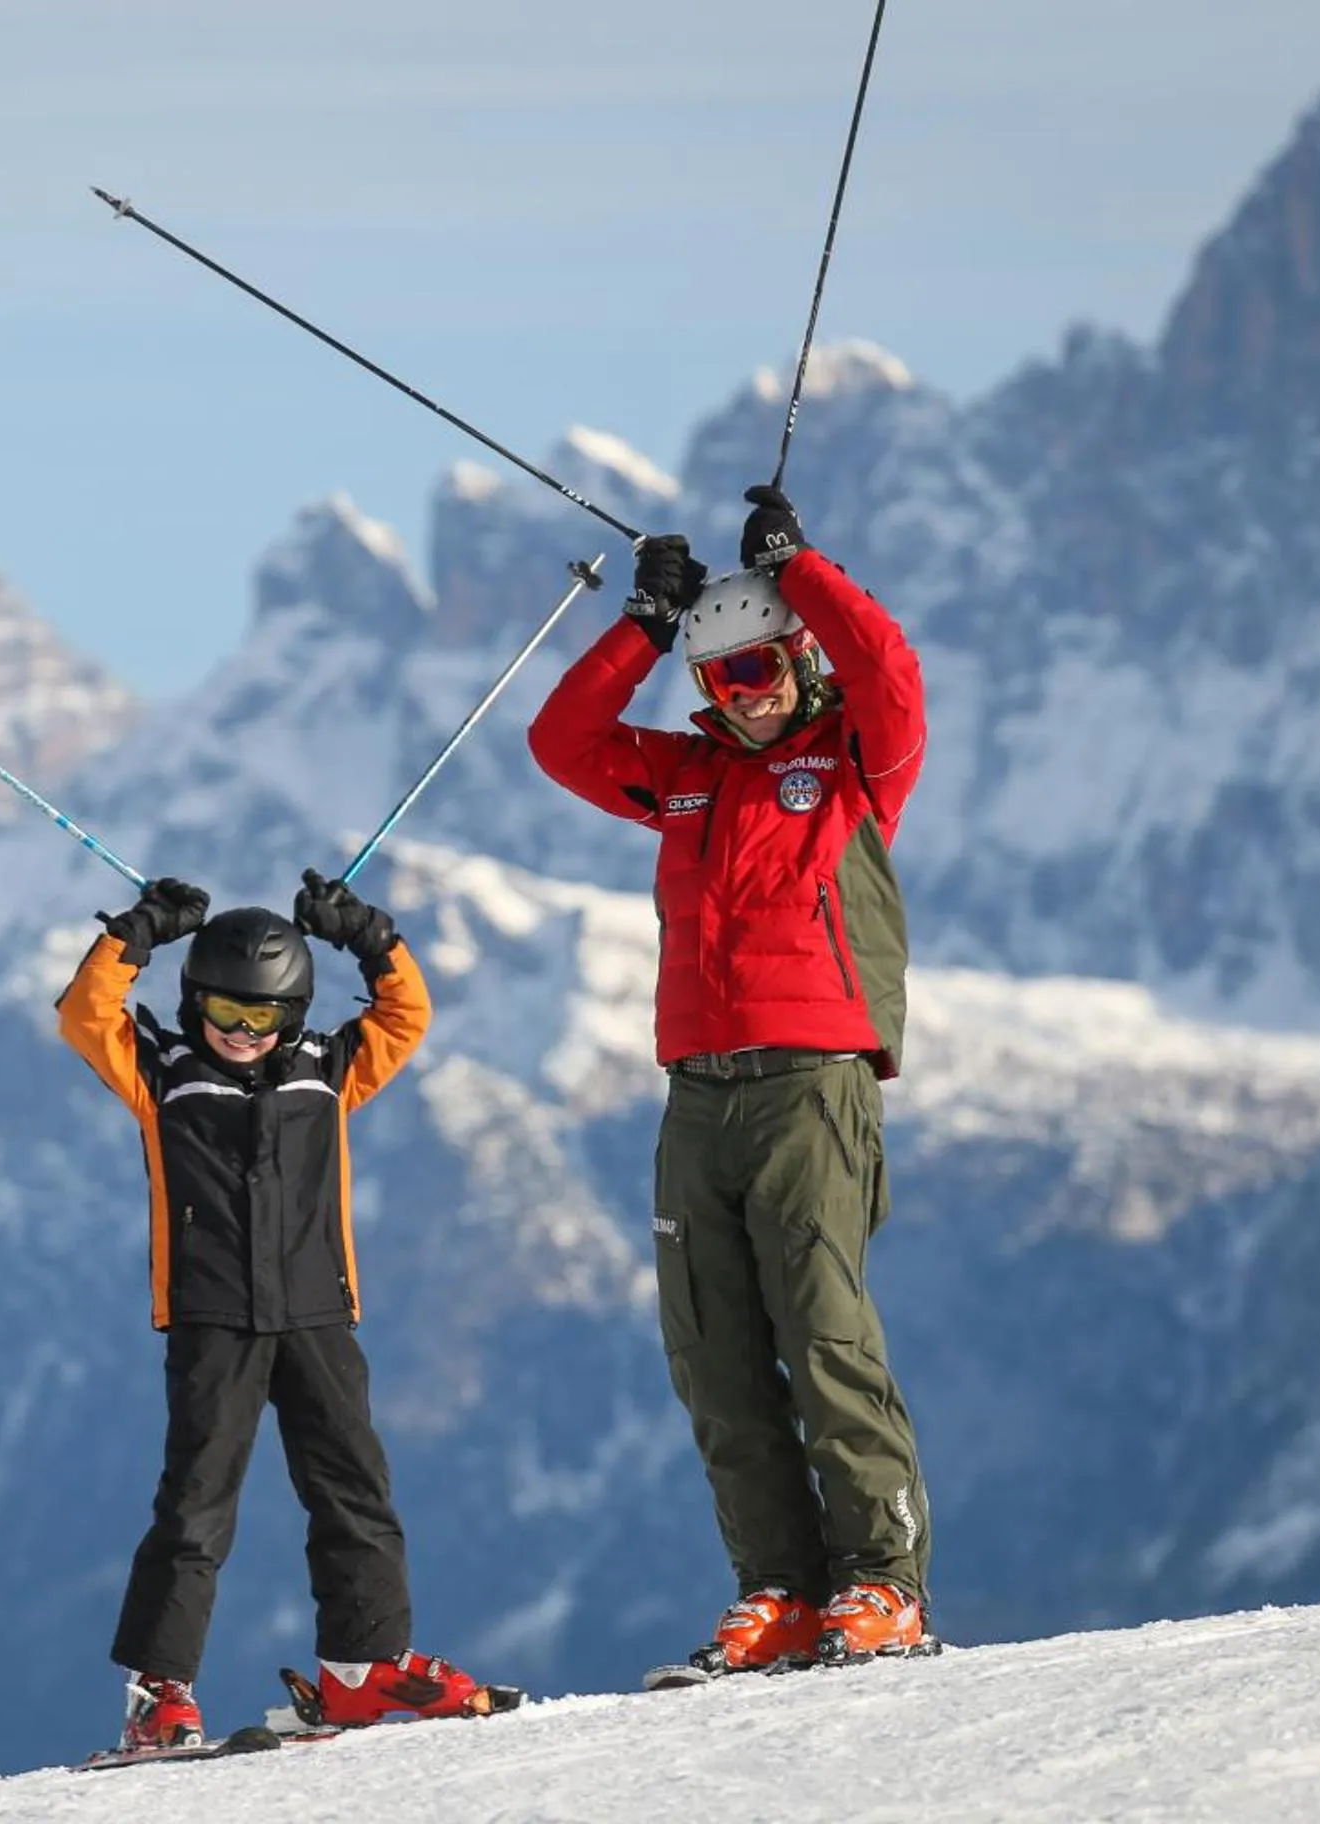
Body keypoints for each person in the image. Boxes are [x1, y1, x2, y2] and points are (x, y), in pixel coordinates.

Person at [524, 484, 936, 1675]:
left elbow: (893, 670)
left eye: (756, 671)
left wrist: (801, 569)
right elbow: (563, 745)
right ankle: (782, 1592)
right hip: (697, 1089)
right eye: (718, 682)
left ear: (797, 661)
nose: (740, 698)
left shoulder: (856, 760)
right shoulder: (685, 778)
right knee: (712, 1349)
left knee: (825, 1333)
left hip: (813, 1082)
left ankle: (882, 1585)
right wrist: (647, 627)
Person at [55, 868, 519, 1751]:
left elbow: (405, 1016)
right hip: (213, 1317)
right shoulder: (162, 1075)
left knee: (354, 1489)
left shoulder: (329, 1073)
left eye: (260, 1018)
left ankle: (363, 1667)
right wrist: (140, 933)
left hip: (316, 1314)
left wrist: (370, 937)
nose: (239, 1033)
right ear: (193, 1001)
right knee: (196, 1506)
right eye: (223, 1012)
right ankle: (160, 1696)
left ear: (294, 1015)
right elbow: (86, 1015)